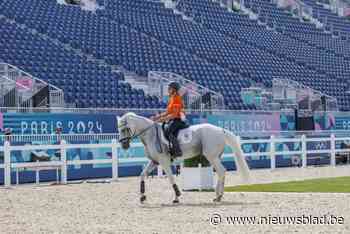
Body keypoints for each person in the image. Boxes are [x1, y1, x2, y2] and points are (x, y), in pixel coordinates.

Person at [151, 82, 187, 157]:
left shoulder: (177, 98)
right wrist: (157, 117)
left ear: (174, 89)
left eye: (169, 88)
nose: (168, 89)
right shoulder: (171, 98)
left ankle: (177, 151)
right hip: (172, 119)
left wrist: (163, 119)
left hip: (178, 120)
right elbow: (168, 112)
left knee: (168, 131)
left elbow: (174, 115)